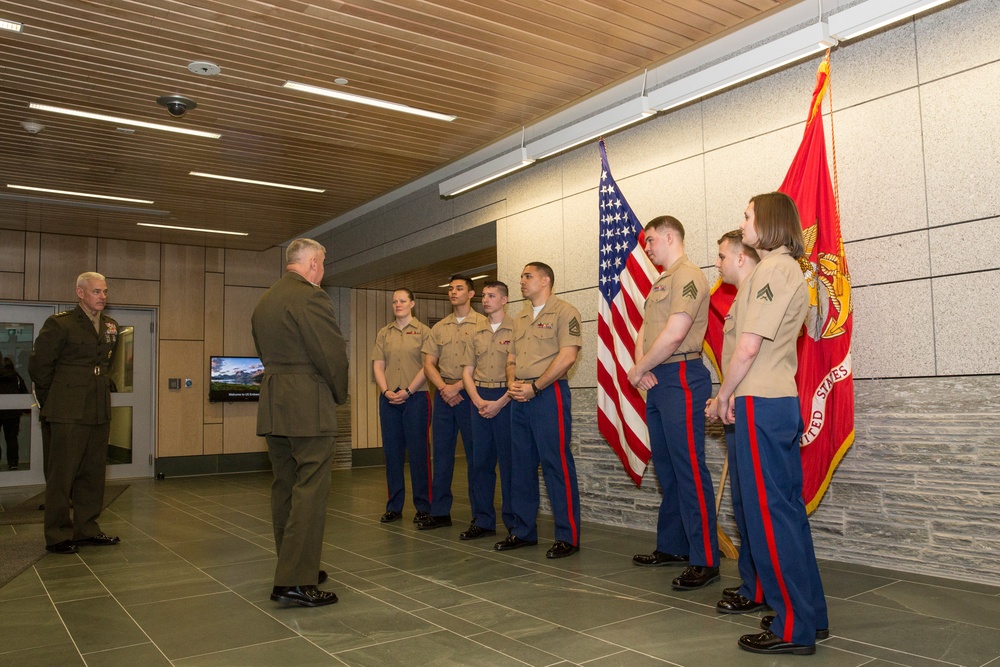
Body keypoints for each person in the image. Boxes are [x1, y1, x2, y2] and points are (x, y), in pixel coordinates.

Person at [706, 193, 828, 655]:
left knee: (772, 517)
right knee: (783, 515)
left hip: (761, 401)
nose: (744, 221)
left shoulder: (775, 268)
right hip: (764, 400)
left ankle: (792, 627)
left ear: (771, 221)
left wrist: (723, 395)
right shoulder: (774, 268)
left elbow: (749, 345)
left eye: (748, 215)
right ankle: (809, 616)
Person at [252, 238, 349, 608]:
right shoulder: (310, 296)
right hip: (307, 404)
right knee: (311, 491)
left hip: (275, 403)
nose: (322, 271)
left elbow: (265, 353)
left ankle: (291, 564)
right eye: (322, 264)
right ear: (311, 263)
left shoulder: (266, 300)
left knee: (285, 488)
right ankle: (295, 580)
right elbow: (331, 353)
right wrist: (340, 395)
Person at [626, 216, 719, 590]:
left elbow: (677, 332)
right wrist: (640, 369)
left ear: (669, 236)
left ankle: (705, 559)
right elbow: (644, 332)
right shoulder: (661, 281)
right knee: (666, 468)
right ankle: (674, 546)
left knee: (689, 469)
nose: (646, 248)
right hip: (658, 377)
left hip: (681, 376)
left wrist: (639, 370)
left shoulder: (688, 274)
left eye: (650, 241)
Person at [495, 262, 583, 559]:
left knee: (555, 463)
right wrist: (512, 383)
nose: (521, 280)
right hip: (519, 395)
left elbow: (567, 357)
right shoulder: (518, 318)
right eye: (520, 275)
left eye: (527, 276)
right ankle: (522, 531)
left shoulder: (565, 312)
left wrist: (536, 387)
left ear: (545, 280)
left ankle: (567, 536)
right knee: (520, 466)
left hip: (548, 395)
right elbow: (511, 357)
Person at [29, 272, 121, 555]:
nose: (102, 296)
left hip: (97, 406)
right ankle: (57, 535)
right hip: (67, 408)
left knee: (93, 472)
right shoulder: (61, 324)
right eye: (96, 291)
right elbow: (40, 367)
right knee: (63, 474)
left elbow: (105, 365)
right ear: (80, 293)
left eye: (104, 291)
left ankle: (86, 529)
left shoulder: (110, 326)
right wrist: (52, 402)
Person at [708, 230, 766, 614]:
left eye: (723, 256)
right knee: (743, 505)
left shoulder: (760, 292)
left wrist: (724, 395)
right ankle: (753, 584)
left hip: (757, 403)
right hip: (738, 403)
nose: (718, 263)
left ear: (742, 258)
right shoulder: (740, 298)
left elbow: (749, 353)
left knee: (758, 506)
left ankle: (765, 590)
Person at [419, 275, 486, 530]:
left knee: (475, 455)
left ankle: (480, 514)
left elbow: (486, 362)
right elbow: (428, 364)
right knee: (442, 454)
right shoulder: (439, 327)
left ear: (471, 294)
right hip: (444, 394)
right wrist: (445, 388)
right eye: (451, 289)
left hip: (471, 394)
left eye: (459, 288)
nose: (453, 292)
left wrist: (459, 387)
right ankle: (440, 512)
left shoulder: (482, 324)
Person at [372, 288, 433, 525]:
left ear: (412, 303)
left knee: (419, 453)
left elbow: (427, 366)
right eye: (394, 301)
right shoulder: (384, 333)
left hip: (416, 397)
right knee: (392, 454)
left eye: (402, 301)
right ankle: (394, 506)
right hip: (389, 399)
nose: (398, 304)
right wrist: (386, 390)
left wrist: (408, 391)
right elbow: (378, 365)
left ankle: (423, 506)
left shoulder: (424, 332)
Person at [460, 281, 514, 540]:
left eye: (492, 295)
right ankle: (483, 520)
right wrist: (478, 400)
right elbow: (467, 372)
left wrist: (501, 401)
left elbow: (519, 372)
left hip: (507, 398)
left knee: (509, 463)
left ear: (504, 300)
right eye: (484, 295)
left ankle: (515, 523)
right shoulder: (476, 332)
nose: (486, 299)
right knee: (480, 462)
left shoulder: (517, 329)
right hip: (479, 398)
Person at [0, 356, 28, 470]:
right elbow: (23, 392)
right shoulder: (16, 376)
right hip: (13, 412)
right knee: (12, 438)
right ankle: (13, 463)